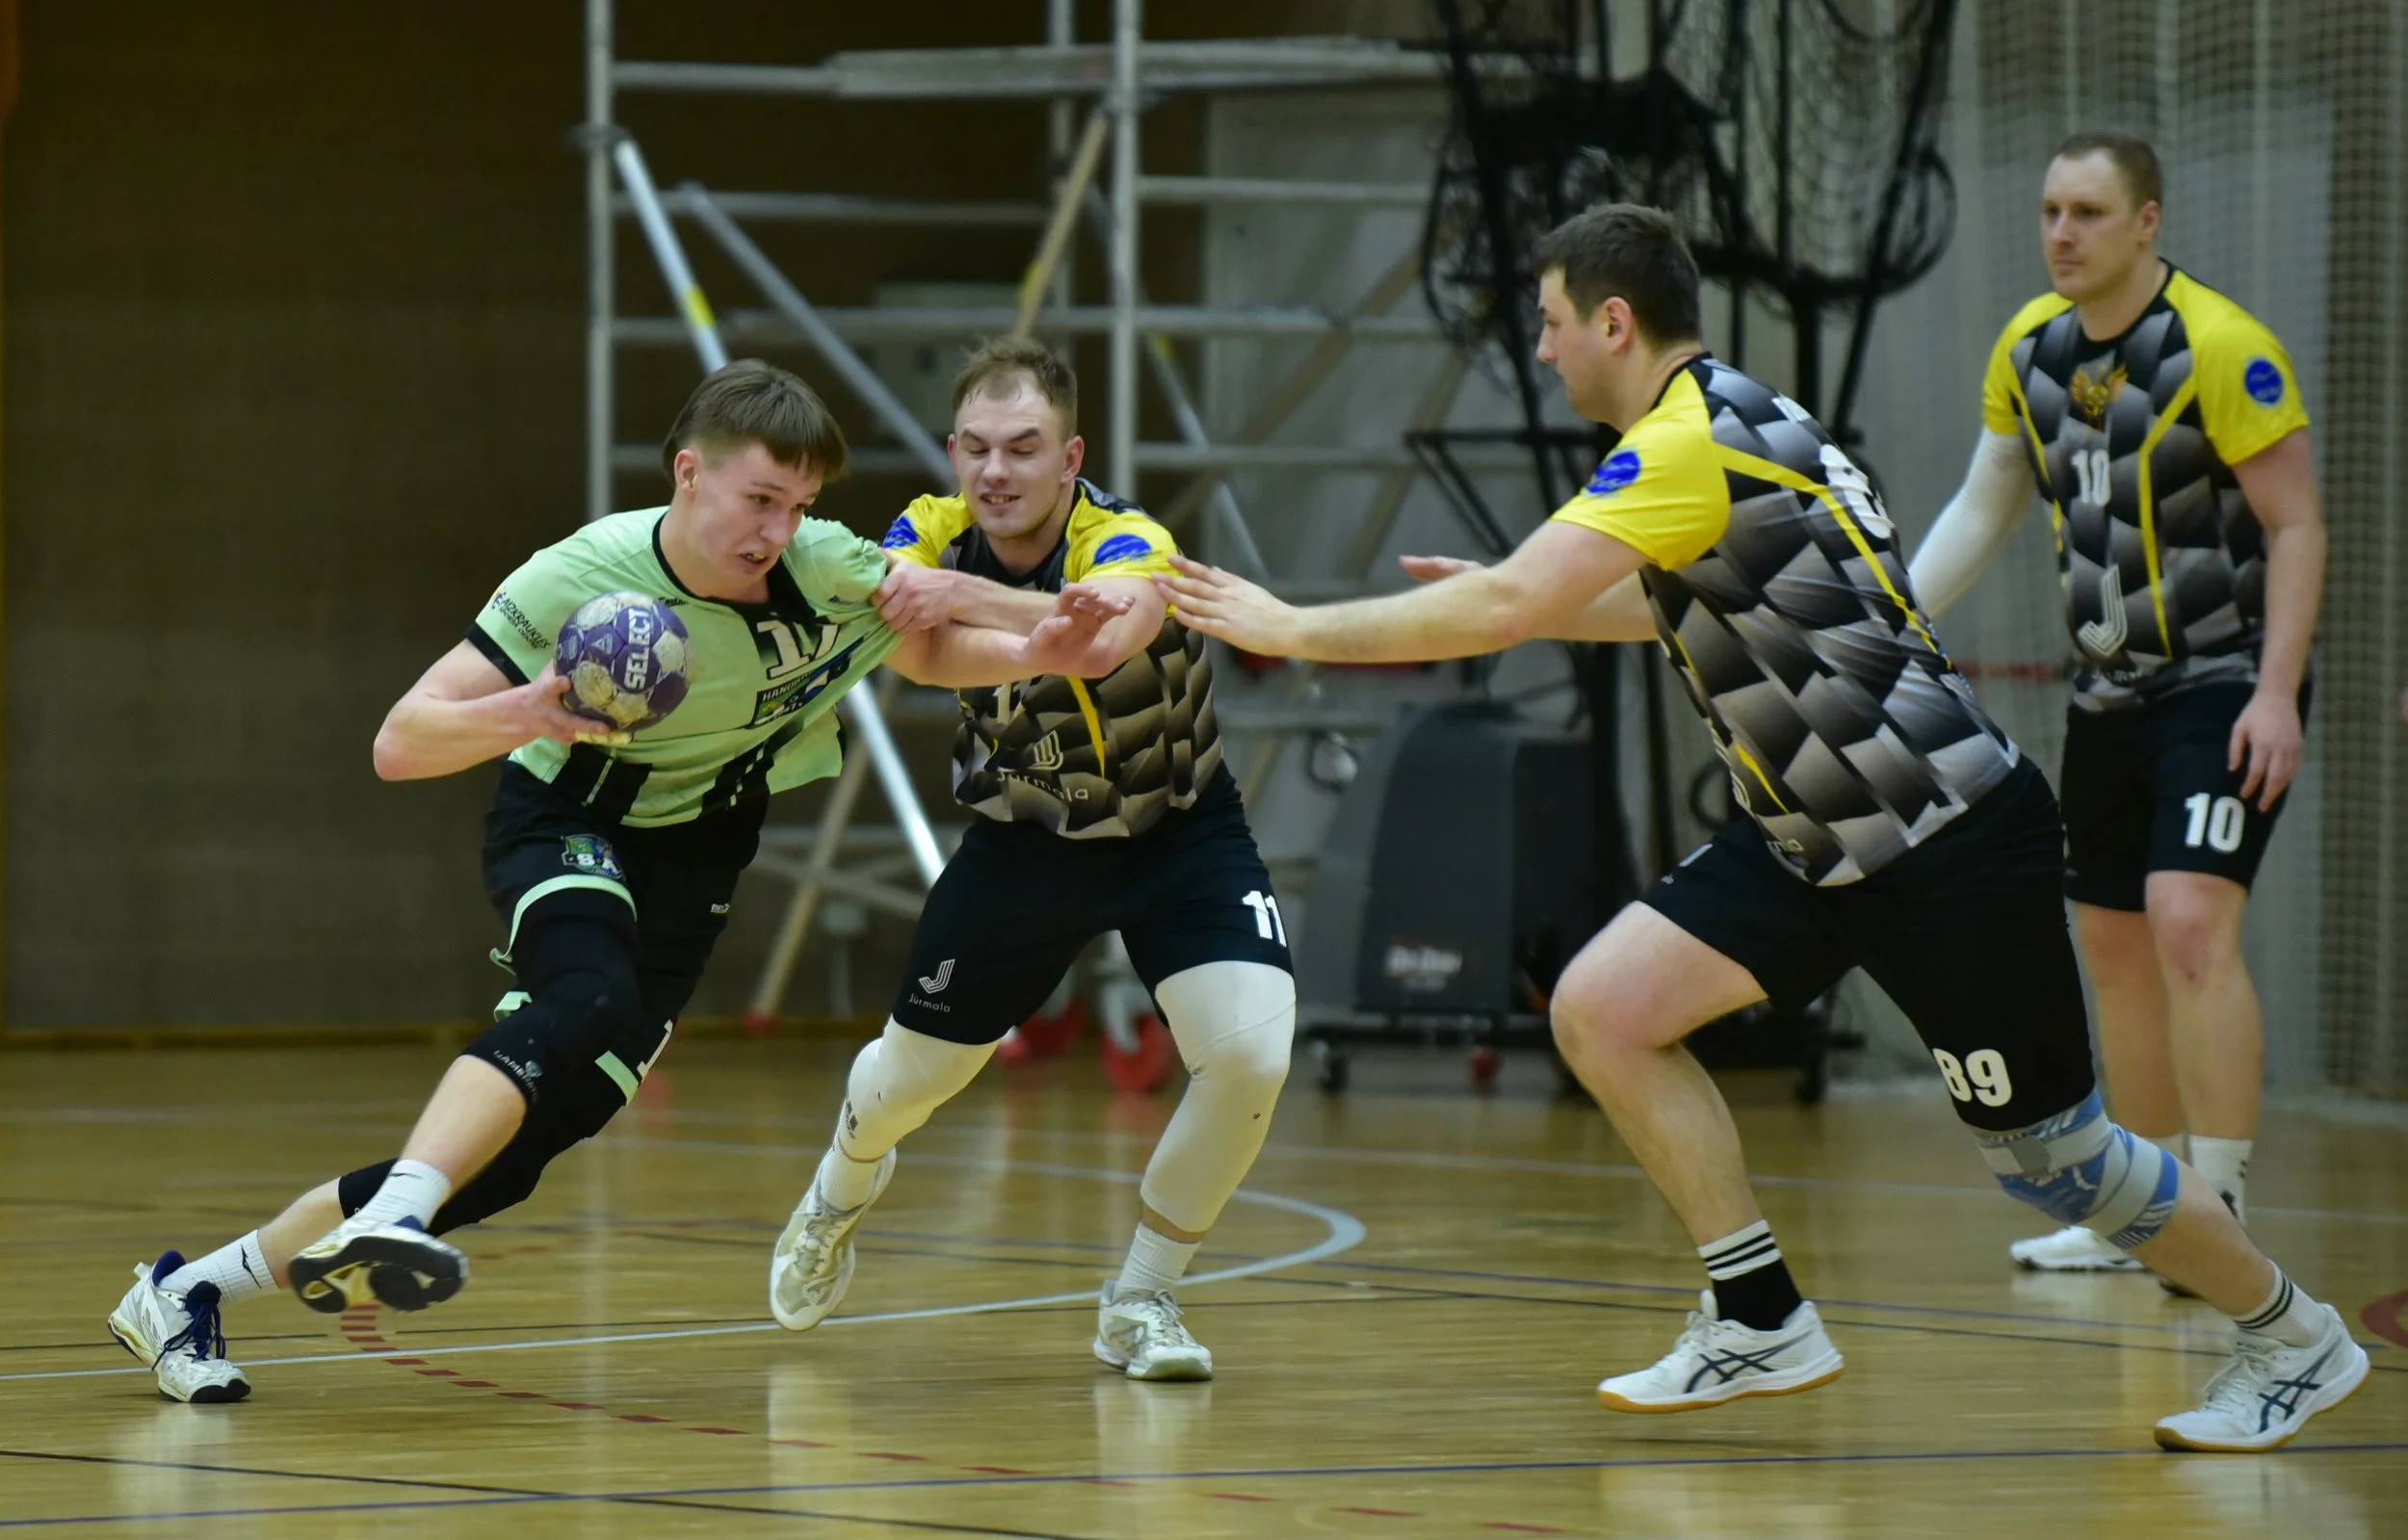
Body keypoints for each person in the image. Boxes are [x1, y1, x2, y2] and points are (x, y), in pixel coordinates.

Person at [1155, 204, 2367, 1451]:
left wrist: (1291, 626)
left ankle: (2294, 1336)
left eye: (1553, 322)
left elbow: (1508, 605)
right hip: (1810, 838)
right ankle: (1760, 1313)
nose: (1543, 347)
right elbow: (1671, 600)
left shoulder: (1681, 443)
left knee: (2060, 1162)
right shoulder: (1746, 411)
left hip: (1940, 836)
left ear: (1613, 322)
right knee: (1603, 1007)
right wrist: (1527, 600)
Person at [103, 358, 1129, 1404]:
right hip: (571, 816)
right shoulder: (581, 576)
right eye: (759, 499)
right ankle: (400, 1210)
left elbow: (925, 644)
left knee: (513, 1159)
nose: (778, 529)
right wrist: (529, 709)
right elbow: (399, 742)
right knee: (583, 993)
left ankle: (187, 1290)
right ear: (689, 472)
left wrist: (1041, 642)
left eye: (799, 505)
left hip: (699, 855)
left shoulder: (820, 566)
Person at [767, 337, 1296, 1382]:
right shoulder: (925, 532)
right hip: (1024, 843)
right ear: (951, 452)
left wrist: (967, 603)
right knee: (909, 1081)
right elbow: (917, 653)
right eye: (976, 447)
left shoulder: (1130, 537)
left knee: (1251, 1057)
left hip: (1181, 830)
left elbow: (1103, 640)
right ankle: (837, 1191)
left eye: (1023, 447)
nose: (996, 470)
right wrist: (1014, 627)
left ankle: (1140, 1299)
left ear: (1071, 457)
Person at [1909, 131, 2324, 1281]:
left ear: (2146, 222)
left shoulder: (2219, 345)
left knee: (2187, 920)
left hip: (2224, 681)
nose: (2061, 233)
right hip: (2105, 693)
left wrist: (2276, 692)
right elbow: (1984, 503)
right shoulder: (2027, 348)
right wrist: (1892, 617)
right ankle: (2152, 1213)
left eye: (2087, 212)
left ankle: (2218, 1208)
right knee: (2112, 941)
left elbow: (2296, 523)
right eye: (2050, 210)